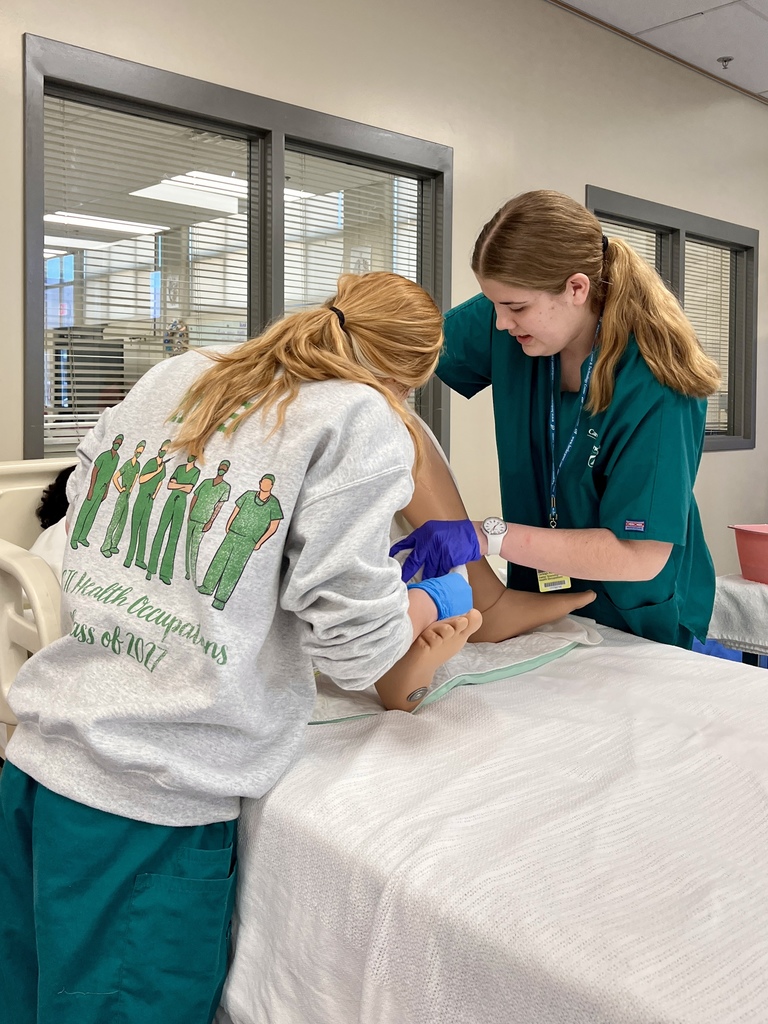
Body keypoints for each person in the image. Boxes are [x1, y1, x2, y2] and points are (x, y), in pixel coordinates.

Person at [0, 271, 481, 1024]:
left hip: (38, 764)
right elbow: (361, 658)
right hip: (147, 805)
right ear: (409, 382)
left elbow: (91, 515)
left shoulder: (180, 375)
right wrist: (414, 601)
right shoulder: (362, 418)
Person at [392, 190, 721, 648]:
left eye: (516, 308)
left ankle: (492, 600)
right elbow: (393, 352)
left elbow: (638, 557)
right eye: (494, 305)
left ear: (576, 288)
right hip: (537, 590)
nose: (502, 324)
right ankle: (494, 600)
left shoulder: (659, 384)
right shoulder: (508, 320)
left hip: (634, 610)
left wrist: (487, 536)